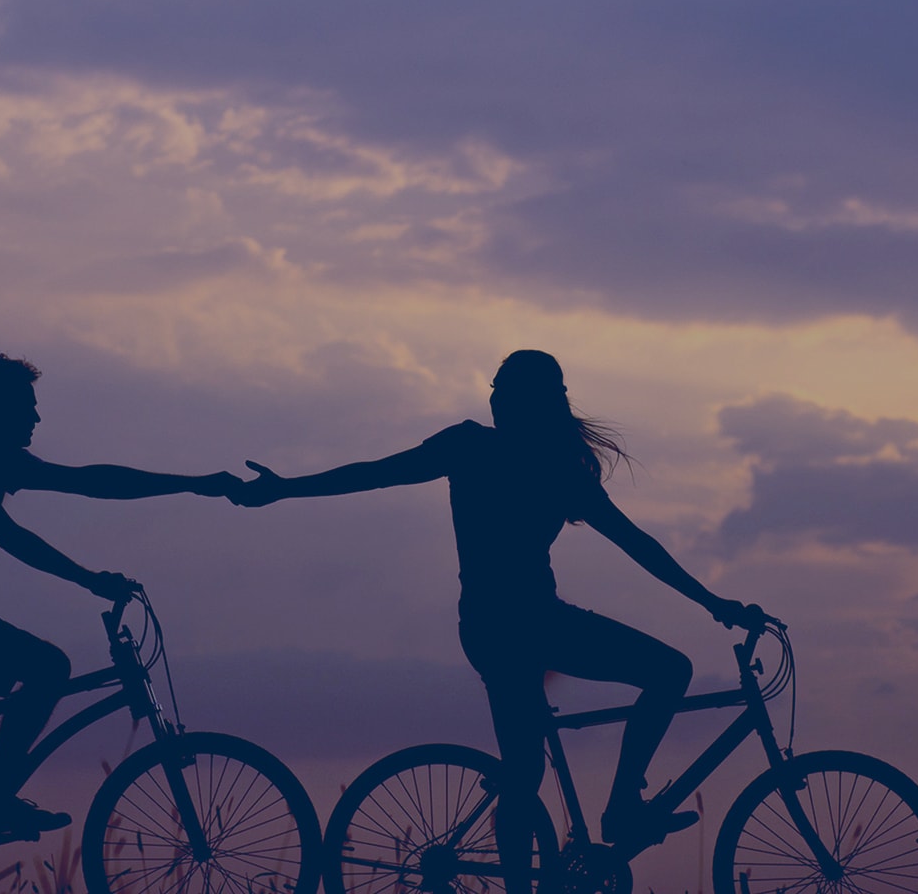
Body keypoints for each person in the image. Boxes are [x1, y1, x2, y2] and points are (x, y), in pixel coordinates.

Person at [229, 350, 763, 889]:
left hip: (509, 626)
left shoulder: (538, 464)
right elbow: (375, 474)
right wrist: (286, 487)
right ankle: (621, 808)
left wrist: (712, 602)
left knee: (544, 757)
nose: (494, 398)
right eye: (494, 388)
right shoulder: (497, 453)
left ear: (533, 402)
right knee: (633, 696)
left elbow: (637, 544)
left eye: (504, 389)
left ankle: (615, 810)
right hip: (517, 627)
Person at [0, 353, 241, 840]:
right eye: (26, 406)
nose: (36, 418)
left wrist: (90, 579)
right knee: (46, 669)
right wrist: (196, 485)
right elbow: (88, 483)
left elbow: (12, 534)